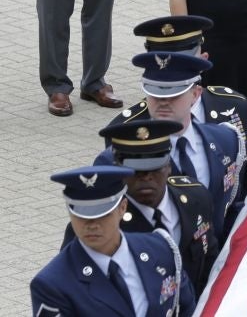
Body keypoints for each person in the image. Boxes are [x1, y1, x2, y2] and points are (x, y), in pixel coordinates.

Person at [62, 118, 220, 294]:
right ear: (118, 168)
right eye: (135, 170)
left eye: (155, 167)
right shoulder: (99, 220)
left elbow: (210, 263)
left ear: (168, 165)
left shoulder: (195, 198)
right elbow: (75, 288)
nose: (146, 177)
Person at [103, 52, 247, 241]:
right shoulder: (116, 155)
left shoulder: (226, 139)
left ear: (195, 94)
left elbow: (236, 204)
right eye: (155, 94)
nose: (163, 101)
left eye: (174, 95)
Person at [31, 165, 195, 316]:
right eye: (82, 215)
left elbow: (186, 307)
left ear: (122, 208)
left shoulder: (160, 249)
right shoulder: (53, 284)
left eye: (103, 214)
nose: (92, 225)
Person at [129, 15, 247, 192]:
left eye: (185, 62)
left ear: (203, 60)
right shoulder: (129, 128)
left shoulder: (233, 107)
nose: (173, 70)